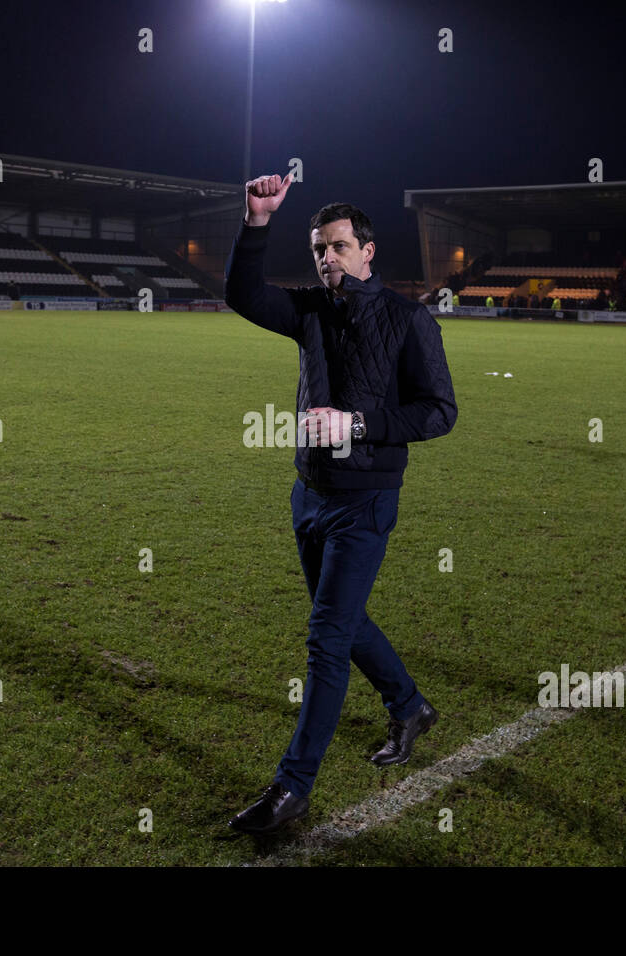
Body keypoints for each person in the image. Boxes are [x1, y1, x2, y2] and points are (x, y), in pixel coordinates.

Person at [223, 172, 458, 835]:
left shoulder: (409, 319)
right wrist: (257, 220)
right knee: (345, 624)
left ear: (368, 251)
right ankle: (409, 706)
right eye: (318, 247)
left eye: (338, 245)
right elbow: (242, 293)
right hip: (309, 496)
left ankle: (291, 789)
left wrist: (358, 425)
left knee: (326, 639)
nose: (326, 257)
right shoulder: (309, 311)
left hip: (367, 501)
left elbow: (441, 411)